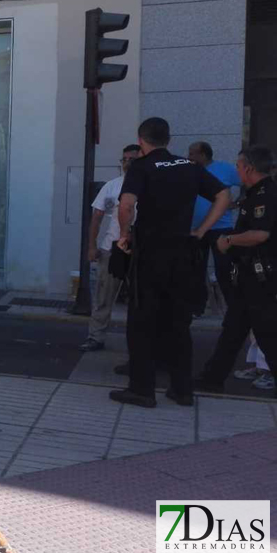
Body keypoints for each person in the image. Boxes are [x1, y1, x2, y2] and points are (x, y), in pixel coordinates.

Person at [110, 117, 230, 408]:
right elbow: (224, 195)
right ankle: (182, 389)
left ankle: (142, 389)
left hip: (150, 253)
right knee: (178, 323)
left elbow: (126, 205)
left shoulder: (141, 166)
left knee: (141, 321)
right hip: (184, 254)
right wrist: (201, 231)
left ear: (141, 141)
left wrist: (124, 235)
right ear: (168, 139)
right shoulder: (189, 167)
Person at [195, 146, 277, 398]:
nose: (237, 170)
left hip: (261, 277)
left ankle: (213, 377)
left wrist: (228, 241)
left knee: (266, 333)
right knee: (233, 329)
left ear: (249, 168)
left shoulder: (266, 195)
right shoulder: (251, 194)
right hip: (248, 275)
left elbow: (260, 234)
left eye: (239, 166)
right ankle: (212, 378)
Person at [78, 145, 141, 352]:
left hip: (141, 249)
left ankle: (140, 343)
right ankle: (95, 337)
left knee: (141, 300)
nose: (127, 163)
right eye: (124, 159)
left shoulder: (150, 185)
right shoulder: (112, 186)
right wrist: (91, 247)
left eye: (132, 159)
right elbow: (96, 218)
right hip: (112, 249)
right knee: (103, 296)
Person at [188, 141, 241, 316]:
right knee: (197, 269)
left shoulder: (225, 169)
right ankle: (197, 307)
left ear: (203, 154)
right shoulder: (190, 170)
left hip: (221, 228)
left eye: (193, 153)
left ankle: (232, 308)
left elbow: (247, 183)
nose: (189, 157)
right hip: (197, 228)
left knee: (223, 269)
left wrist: (238, 203)